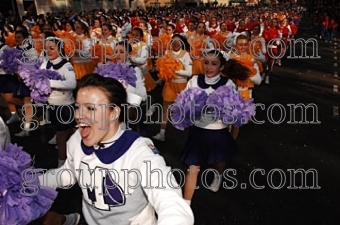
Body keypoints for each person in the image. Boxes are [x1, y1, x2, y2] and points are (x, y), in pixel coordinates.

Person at [39, 73, 194, 225]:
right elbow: (70, 172)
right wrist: (34, 182)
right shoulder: (76, 140)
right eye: (78, 107)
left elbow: (170, 200)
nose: (79, 115)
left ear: (113, 113)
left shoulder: (139, 152)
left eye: (91, 108)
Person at [181, 50, 249, 204]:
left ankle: (218, 176)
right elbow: (184, 102)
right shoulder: (194, 80)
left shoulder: (228, 84)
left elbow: (234, 110)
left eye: (214, 64)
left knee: (219, 160)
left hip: (218, 131)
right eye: (206, 63)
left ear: (222, 66)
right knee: (192, 166)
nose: (209, 67)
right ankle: (186, 205)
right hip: (198, 130)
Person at [40, 35, 77, 167]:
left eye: (51, 48)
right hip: (53, 105)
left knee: (61, 137)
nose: (48, 51)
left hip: (65, 106)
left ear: (60, 50)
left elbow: (72, 83)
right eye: (46, 49)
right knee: (72, 131)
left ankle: (62, 165)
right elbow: (38, 78)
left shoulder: (66, 65)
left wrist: (49, 83)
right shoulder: (45, 64)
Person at [153, 34, 192, 141]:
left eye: (178, 41)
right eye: (173, 41)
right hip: (169, 84)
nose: (175, 43)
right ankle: (162, 133)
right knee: (166, 109)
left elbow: (189, 72)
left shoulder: (185, 55)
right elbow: (162, 69)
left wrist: (174, 71)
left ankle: (185, 134)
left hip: (181, 85)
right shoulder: (167, 53)